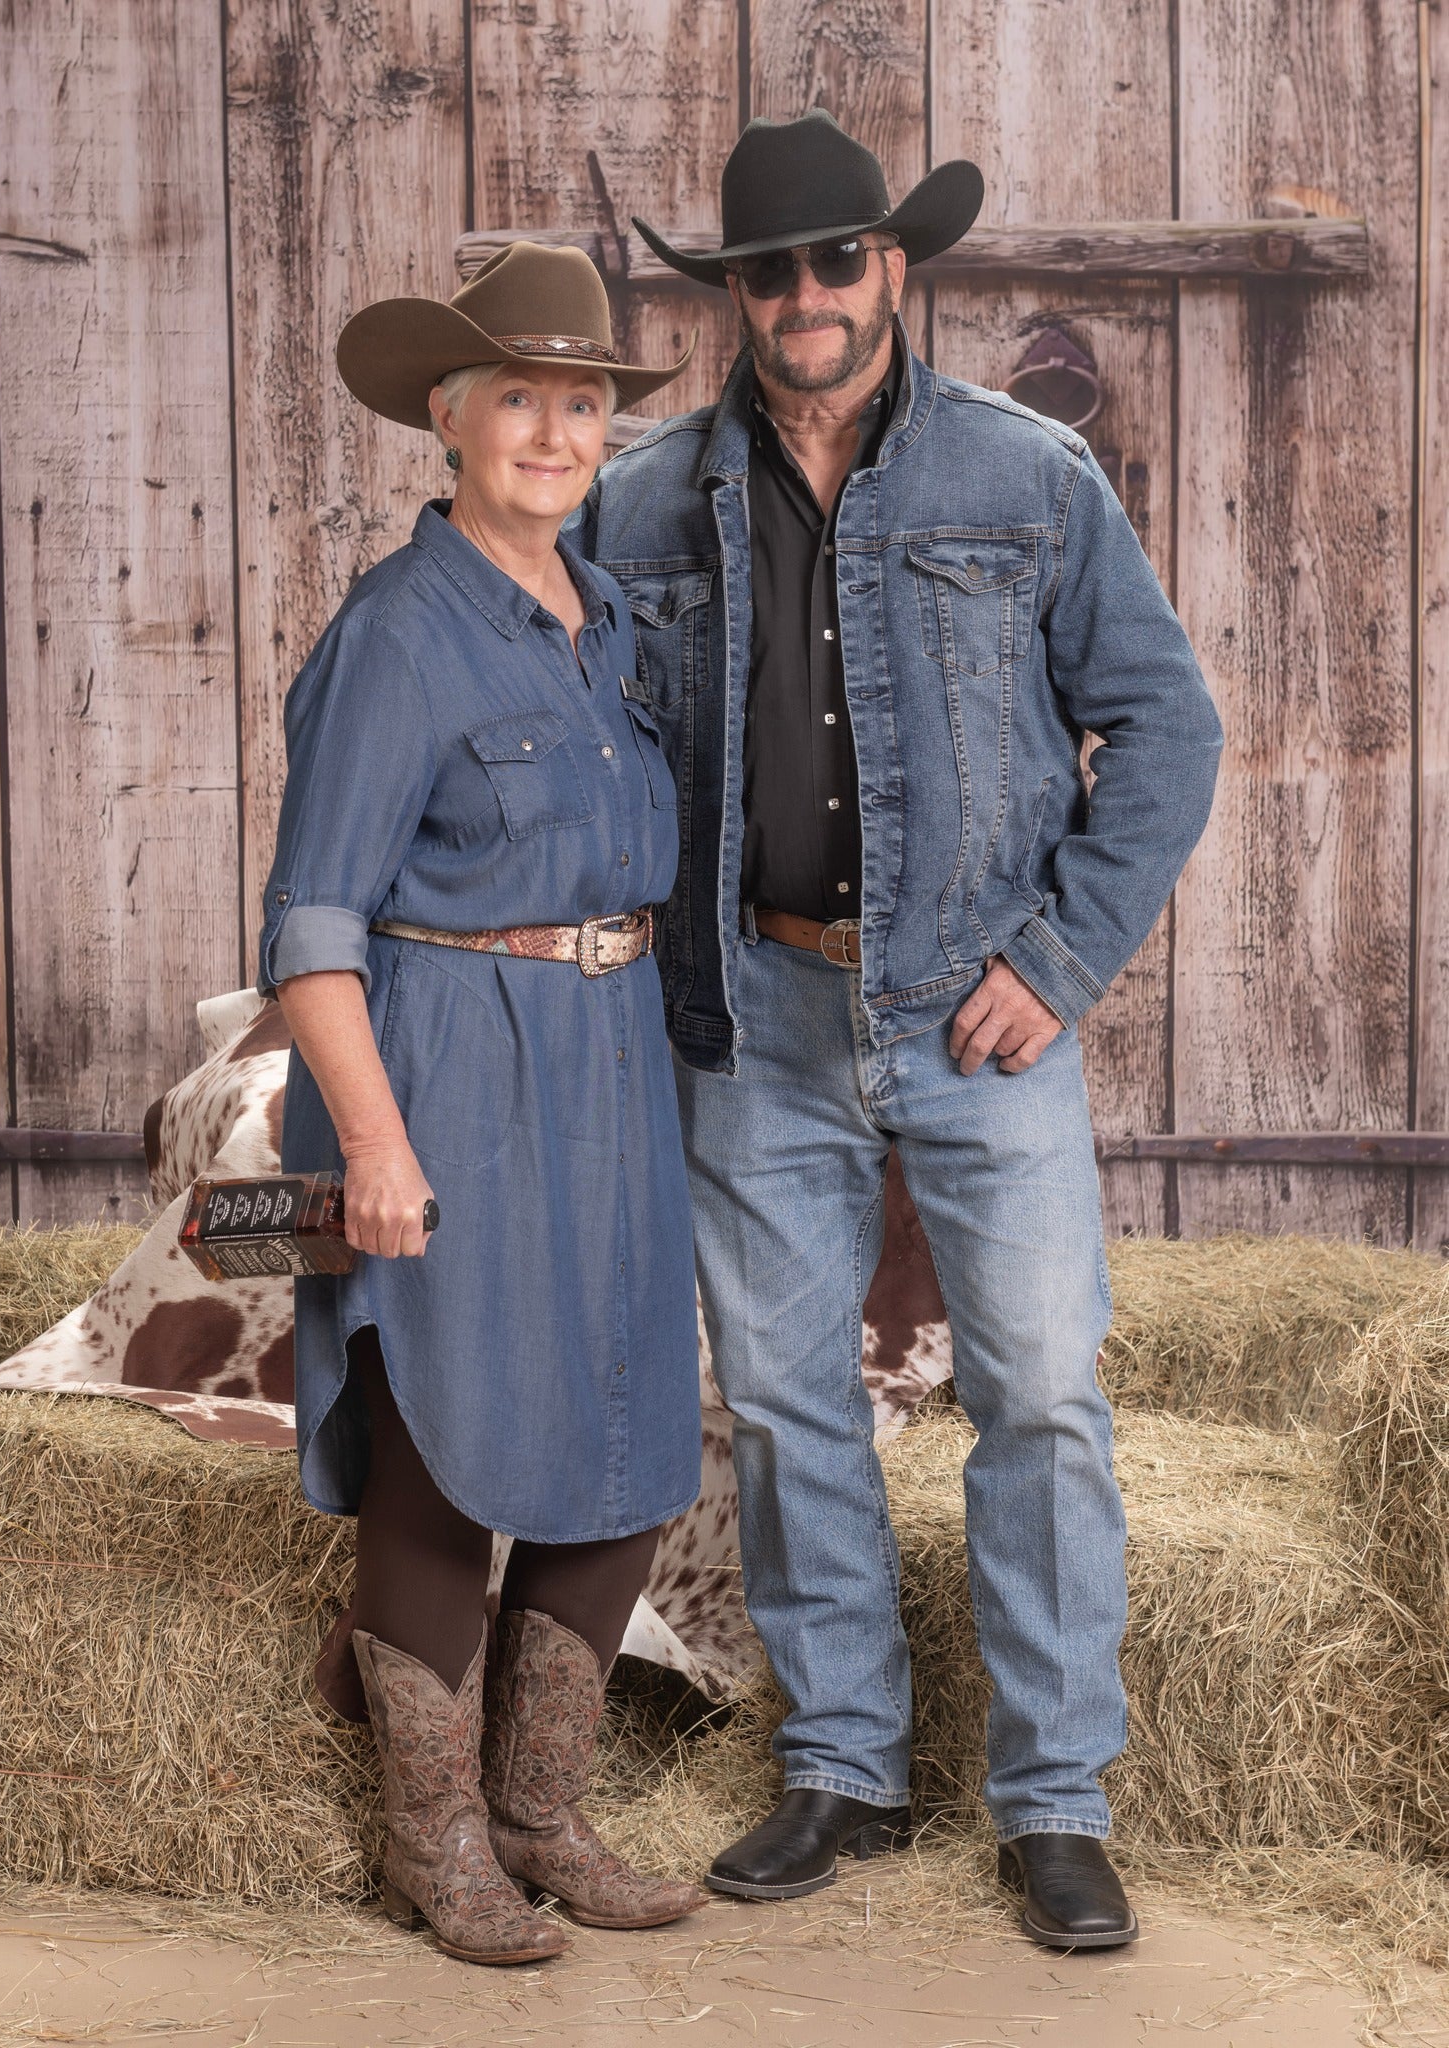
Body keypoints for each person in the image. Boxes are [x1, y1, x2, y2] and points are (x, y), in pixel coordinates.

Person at [580, 111, 1223, 1949]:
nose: (804, 296)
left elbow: (1164, 731)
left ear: (896, 268)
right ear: (735, 296)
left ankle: (1052, 1802)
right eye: (767, 270)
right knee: (788, 1408)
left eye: (835, 259)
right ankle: (845, 1767)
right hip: (751, 1013)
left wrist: (1064, 955)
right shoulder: (638, 504)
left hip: (974, 1014)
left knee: (1041, 1397)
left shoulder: (1029, 480)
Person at [256, 241, 705, 1966]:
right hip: (442, 1059)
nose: (551, 427)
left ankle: (540, 1810)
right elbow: (313, 922)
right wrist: (372, 1138)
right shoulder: (397, 631)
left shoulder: (601, 629)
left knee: (627, 1434)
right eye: (514, 394)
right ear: (447, 416)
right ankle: (436, 1842)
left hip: (605, 1062)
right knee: (444, 1448)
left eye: (580, 400)